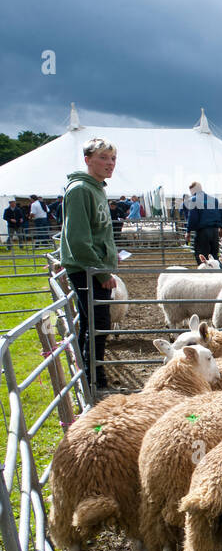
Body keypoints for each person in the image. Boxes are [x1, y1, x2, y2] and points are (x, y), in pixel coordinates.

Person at [61, 138, 119, 389]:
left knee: (92, 322)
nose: (110, 163)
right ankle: (94, 378)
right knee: (99, 323)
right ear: (88, 160)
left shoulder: (97, 188)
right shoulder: (80, 190)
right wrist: (101, 272)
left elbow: (98, 231)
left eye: (113, 158)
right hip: (87, 269)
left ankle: (91, 375)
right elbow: (78, 239)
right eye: (103, 158)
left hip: (93, 267)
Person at [184, 181, 222, 263]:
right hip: (214, 232)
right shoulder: (214, 200)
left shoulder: (193, 200)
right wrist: (221, 228)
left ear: (192, 190)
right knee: (214, 257)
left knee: (202, 256)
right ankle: (216, 274)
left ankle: (204, 275)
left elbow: (192, 217)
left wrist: (188, 232)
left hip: (202, 232)